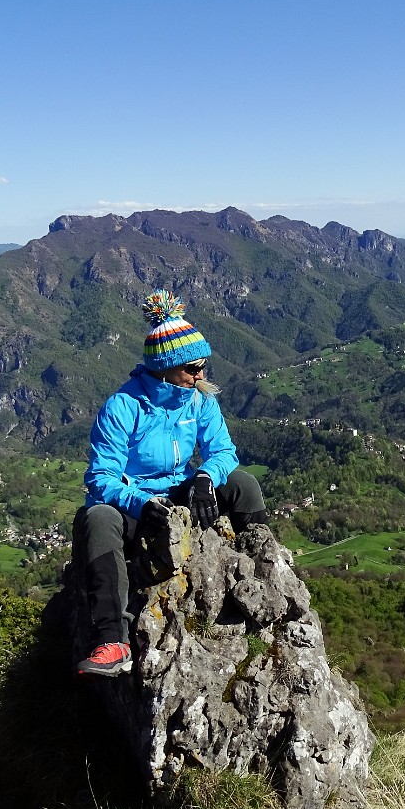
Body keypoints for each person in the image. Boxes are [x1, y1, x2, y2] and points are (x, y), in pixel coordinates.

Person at [73, 290, 267, 677]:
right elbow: (101, 478)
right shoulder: (123, 406)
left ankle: (263, 576)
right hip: (136, 502)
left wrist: (205, 477)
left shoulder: (200, 400)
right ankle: (113, 639)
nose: (201, 375)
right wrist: (140, 504)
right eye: (193, 368)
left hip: (181, 488)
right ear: (165, 368)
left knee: (243, 485)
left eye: (203, 366)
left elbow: (225, 452)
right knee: (97, 519)